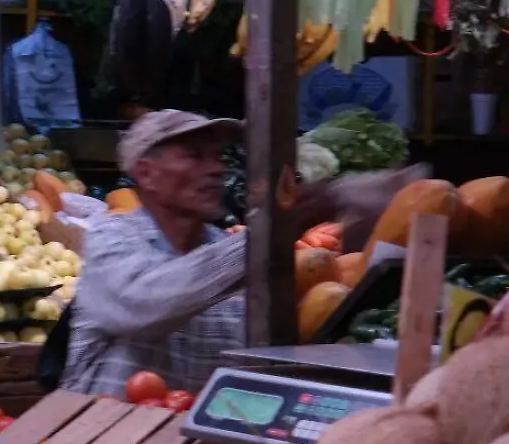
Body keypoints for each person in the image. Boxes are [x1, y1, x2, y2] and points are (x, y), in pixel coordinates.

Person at [61, 110, 411, 397]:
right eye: (194, 155)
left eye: (218, 156)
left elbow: (255, 362)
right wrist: (274, 231)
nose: (215, 168)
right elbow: (144, 302)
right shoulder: (113, 236)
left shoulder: (228, 250)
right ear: (146, 173)